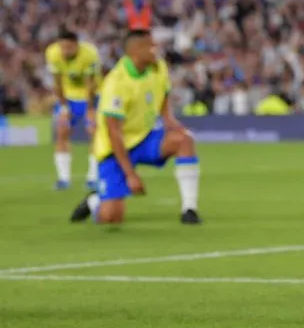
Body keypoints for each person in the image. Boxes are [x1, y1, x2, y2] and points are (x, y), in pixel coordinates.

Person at [69, 29, 202, 225]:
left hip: (145, 138)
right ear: (136, 51)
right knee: (111, 217)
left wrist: (169, 121)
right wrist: (131, 175)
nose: (156, 50)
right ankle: (94, 201)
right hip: (114, 150)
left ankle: (189, 209)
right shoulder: (116, 83)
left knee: (184, 139)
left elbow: (163, 93)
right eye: (151, 46)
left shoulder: (158, 67)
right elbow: (113, 132)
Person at [45, 28, 103, 191]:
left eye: (69, 48)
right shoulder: (52, 53)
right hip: (68, 96)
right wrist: (63, 106)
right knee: (62, 131)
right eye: (62, 47)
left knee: (94, 132)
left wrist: (90, 109)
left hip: (91, 96)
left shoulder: (89, 54)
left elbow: (90, 84)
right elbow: (57, 82)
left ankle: (93, 177)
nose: (65, 51)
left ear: (77, 45)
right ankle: (64, 179)